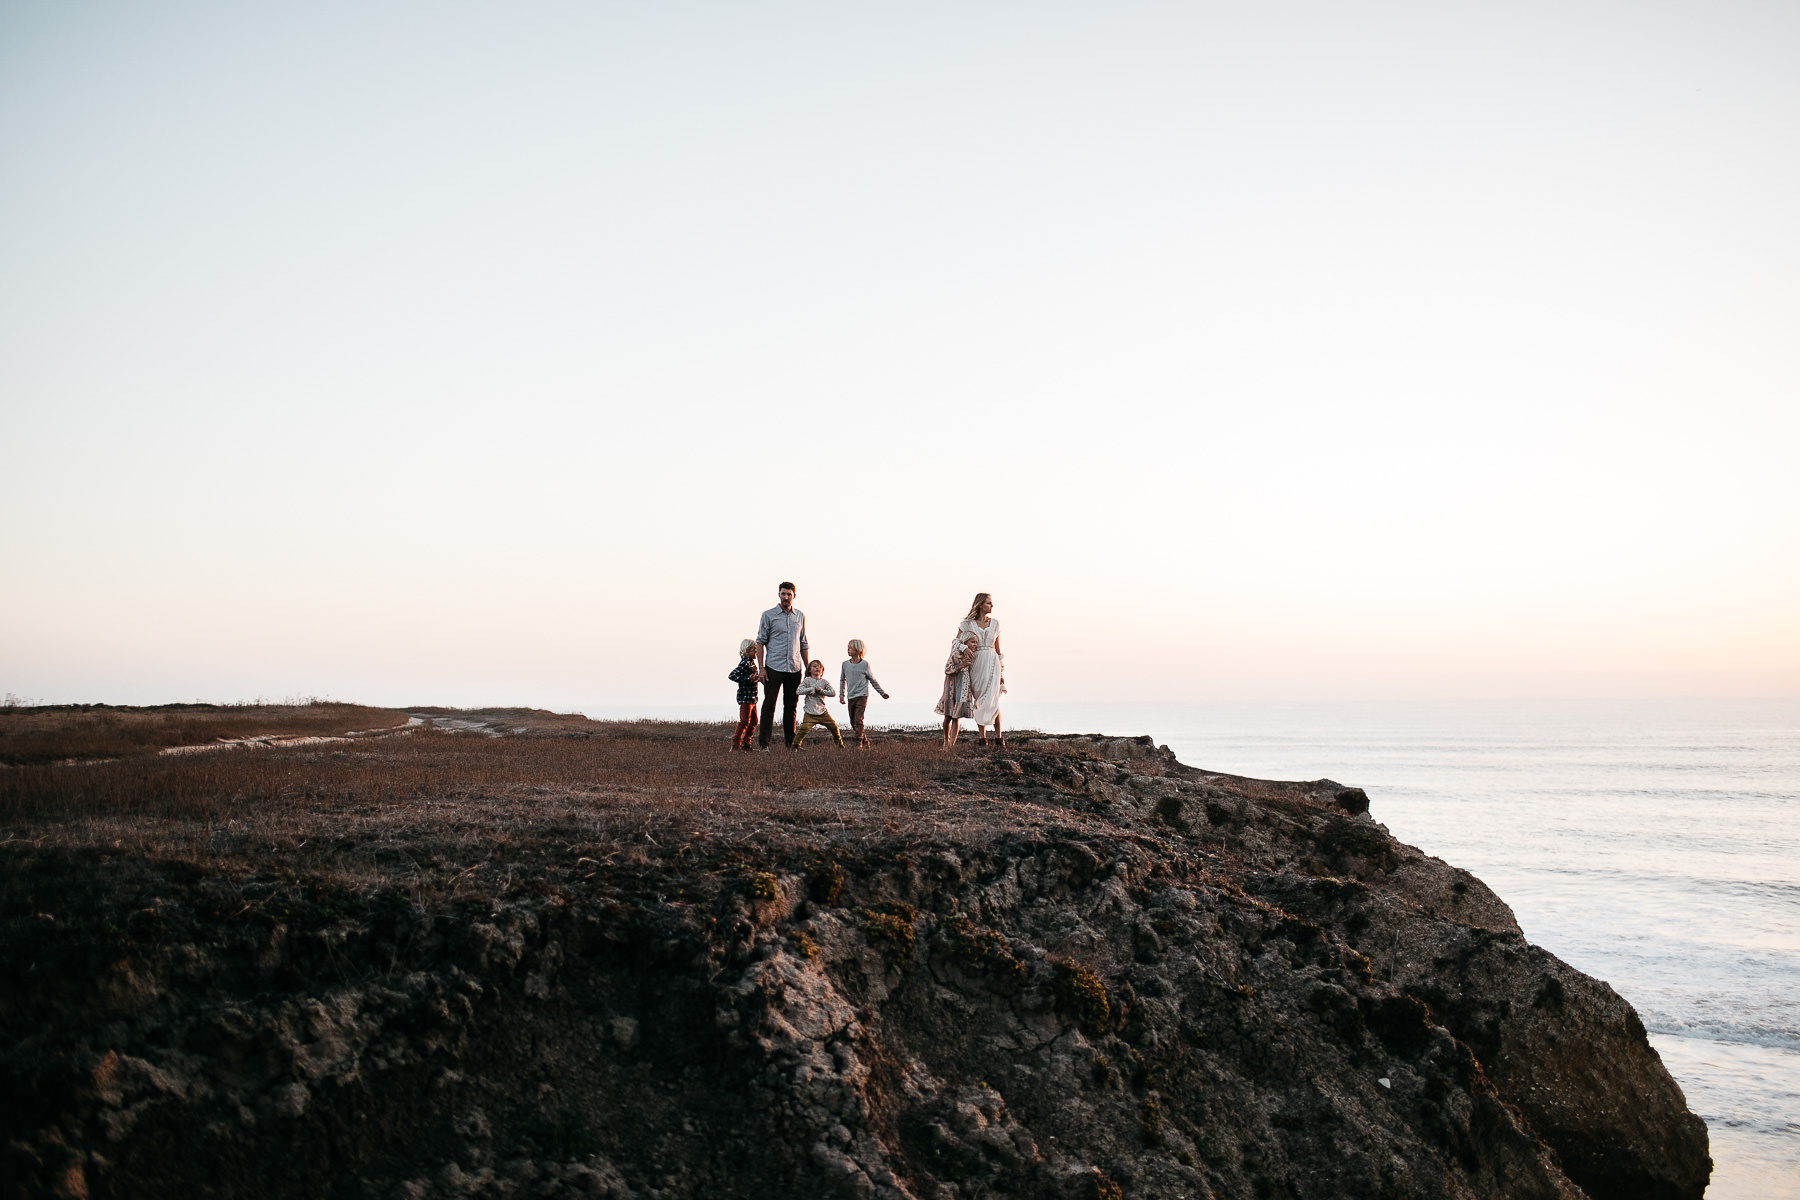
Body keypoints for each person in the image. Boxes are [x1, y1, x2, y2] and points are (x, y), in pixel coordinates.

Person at [753, 582, 808, 749]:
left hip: (794, 668)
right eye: (783, 594)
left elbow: (803, 643)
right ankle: (764, 745)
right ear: (779, 595)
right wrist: (761, 668)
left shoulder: (799, 616)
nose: (786, 597)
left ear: (794, 596)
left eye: (789, 594)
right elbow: (760, 642)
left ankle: (792, 744)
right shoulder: (768, 616)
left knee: (791, 707)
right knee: (769, 706)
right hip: (773, 668)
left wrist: (808, 668)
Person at [957, 592, 1006, 748]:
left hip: (992, 662)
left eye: (991, 603)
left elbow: (998, 649)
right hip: (976, 662)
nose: (992, 606)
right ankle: (982, 738)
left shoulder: (995, 624)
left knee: (993, 700)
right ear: (980, 605)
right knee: (979, 700)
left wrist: (1002, 672)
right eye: (989, 603)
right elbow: (956, 641)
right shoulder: (967, 624)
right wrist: (965, 648)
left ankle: (999, 738)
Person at [838, 639, 890, 749]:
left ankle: (858, 744)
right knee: (853, 722)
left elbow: (872, 680)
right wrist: (841, 695)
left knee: (858, 720)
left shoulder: (865, 665)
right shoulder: (845, 665)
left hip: (862, 695)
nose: (848, 650)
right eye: (847, 648)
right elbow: (842, 680)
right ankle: (865, 742)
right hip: (850, 696)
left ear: (857, 649)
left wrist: (882, 693)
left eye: (850, 648)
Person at [935, 631, 980, 746]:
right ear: (965, 642)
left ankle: (951, 745)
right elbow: (947, 669)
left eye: (976, 642)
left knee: (956, 717)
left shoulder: (974, 656)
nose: (975, 644)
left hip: (963, 687)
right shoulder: (956, 653)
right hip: (952, 687)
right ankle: (946, 740)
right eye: (973, 642)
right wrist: (961, 666)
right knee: (947, 717)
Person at [794, 660, 844, 748]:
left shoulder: (824, 682)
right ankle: (795, 745)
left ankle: (839, 745)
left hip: (822, 712)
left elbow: (832, 693)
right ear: (809, 670)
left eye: (819, 667)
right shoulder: (807, 680)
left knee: (834, 727)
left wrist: (821, 691)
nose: (817, 668)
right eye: (814, 666)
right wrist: (810, 689)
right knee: (804, 729)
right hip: (810, 712)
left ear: (822, 670)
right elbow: (798, 691)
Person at [727, 639, 759, 750]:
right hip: (746, 697)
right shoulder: (745, 663)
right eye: (755, 650)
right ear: (748, 650)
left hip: (752, 698)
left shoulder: (751, 663)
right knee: (745, 721)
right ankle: (736, 744)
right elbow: (732, 675)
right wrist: (747, 679)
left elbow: (753, 678)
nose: (756, 652)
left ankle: (746, 744)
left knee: (754, 721)